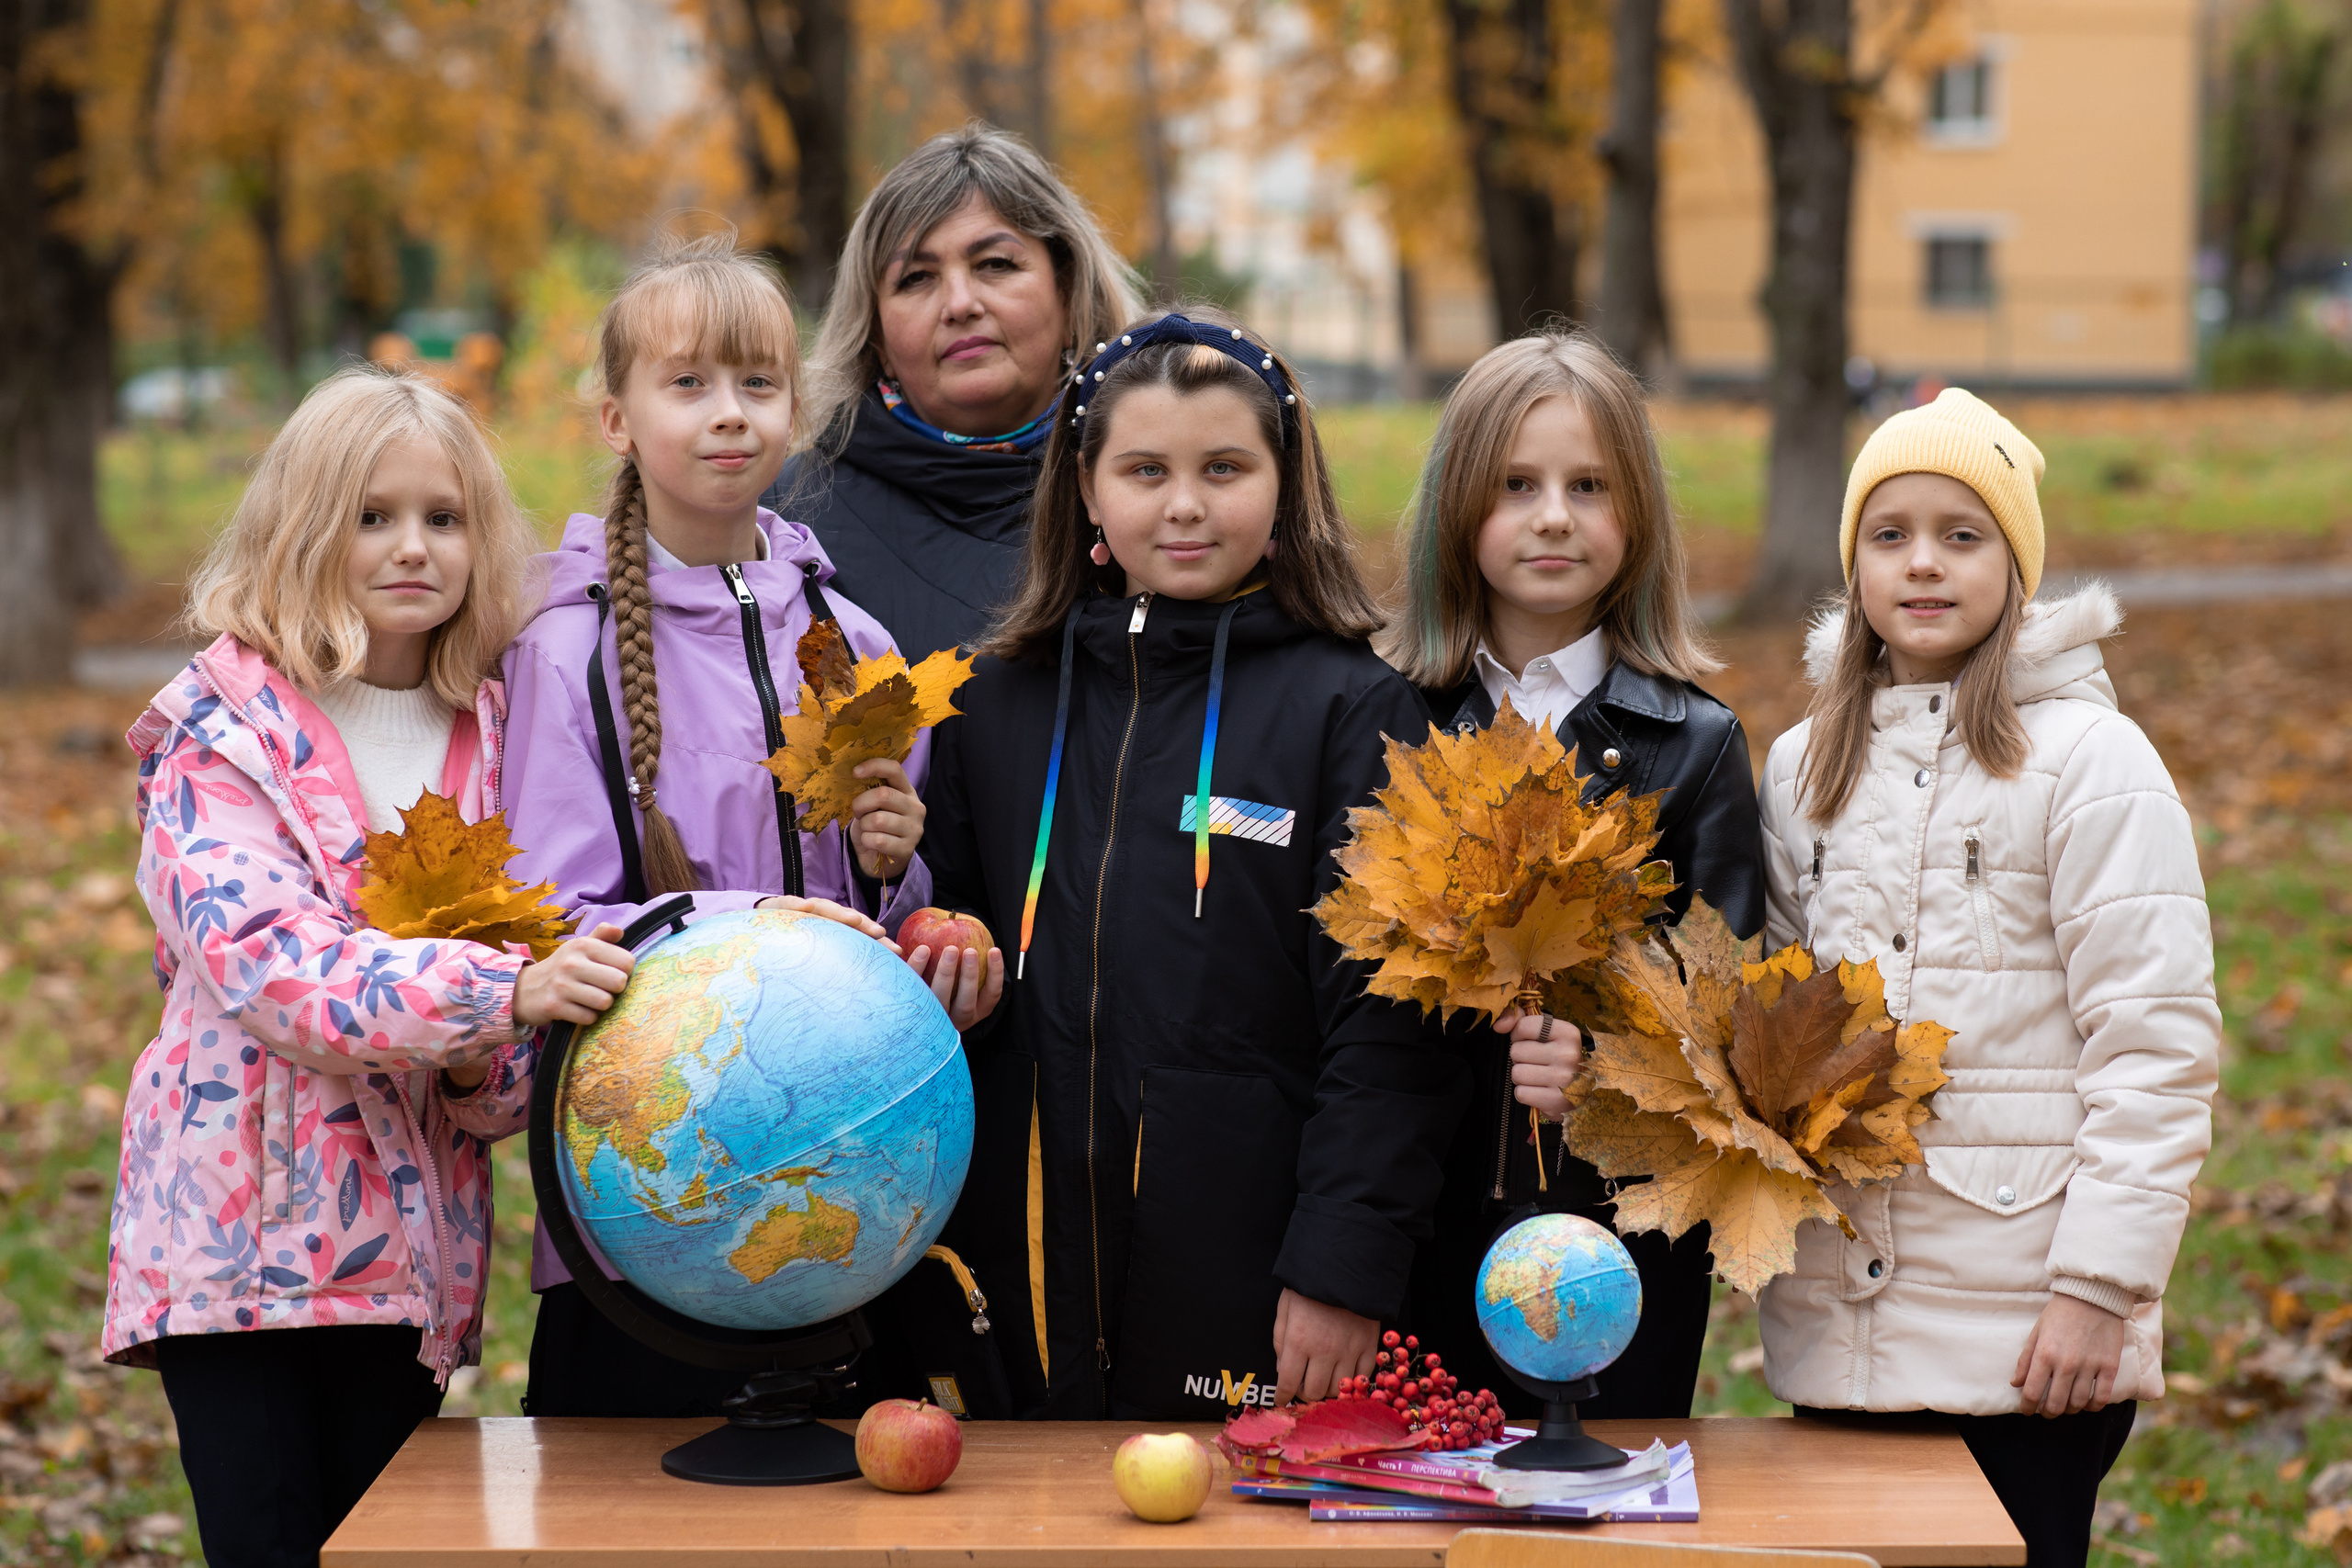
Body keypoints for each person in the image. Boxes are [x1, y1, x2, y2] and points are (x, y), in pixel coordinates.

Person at [103, 367, 639, 1566]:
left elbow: (505, 1056)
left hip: (408, 1261)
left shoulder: (500, 740)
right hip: (239, 1256)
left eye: (443, 518)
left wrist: (497, 1057)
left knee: (379, 1546)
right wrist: (499, 994)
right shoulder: (219, 734)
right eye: (372, 515)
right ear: (303, 528)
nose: (412, 547)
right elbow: (273, 966)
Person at [917, 308, 1470, 1421]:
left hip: (1249, 1264)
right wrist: (949, 955)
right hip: (1013, 1257)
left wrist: (1341, 1263)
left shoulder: (1355, 711)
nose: (1183, 505)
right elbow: (950, 918)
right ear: (1086, 488)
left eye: (1224, 467)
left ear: (1284, 483)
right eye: (1144, 470)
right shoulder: (991, 701)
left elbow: (1391, 1027)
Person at [498, 231, 1000, 1417]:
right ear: (617, 419)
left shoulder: (851, 643)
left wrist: (901, 879)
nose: (729, 413)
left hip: (834, 1208)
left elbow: (874, 919)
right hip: (656, 1205)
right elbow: (552, 923)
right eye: (688, 384)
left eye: (757, 383)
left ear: (795, 411)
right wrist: (757, 918)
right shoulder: (564, 653)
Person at [1755, 389, 2219, 1567]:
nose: (1923, 562)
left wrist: (2098, 1289)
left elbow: (2154, 1045)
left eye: (1961, 535)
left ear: (2016, 565)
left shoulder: (2090, 762)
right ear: (1853, 562)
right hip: (1840, 1325)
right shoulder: (1804, 768)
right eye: (1890, 533)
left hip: (2027, 1333)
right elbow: (1773, 1024)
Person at [1379, 329, 1762, 1419]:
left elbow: (1732, 1013)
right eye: (1516, 485)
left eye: (1588, 486)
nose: (1553, 515)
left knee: (1598, 1487)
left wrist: (1603, 1067)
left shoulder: (1693, 746)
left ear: (1636, 515)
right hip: (1415, 1218)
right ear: (1456, 507)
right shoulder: (1383, 718)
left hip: (1607, 1253)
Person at [761, 124, 1145, 660]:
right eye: (916, 277)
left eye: (996, 264)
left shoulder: (1165, 485)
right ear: (877, 335)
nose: (960, 303)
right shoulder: (779, 519)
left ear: (1069, 294)